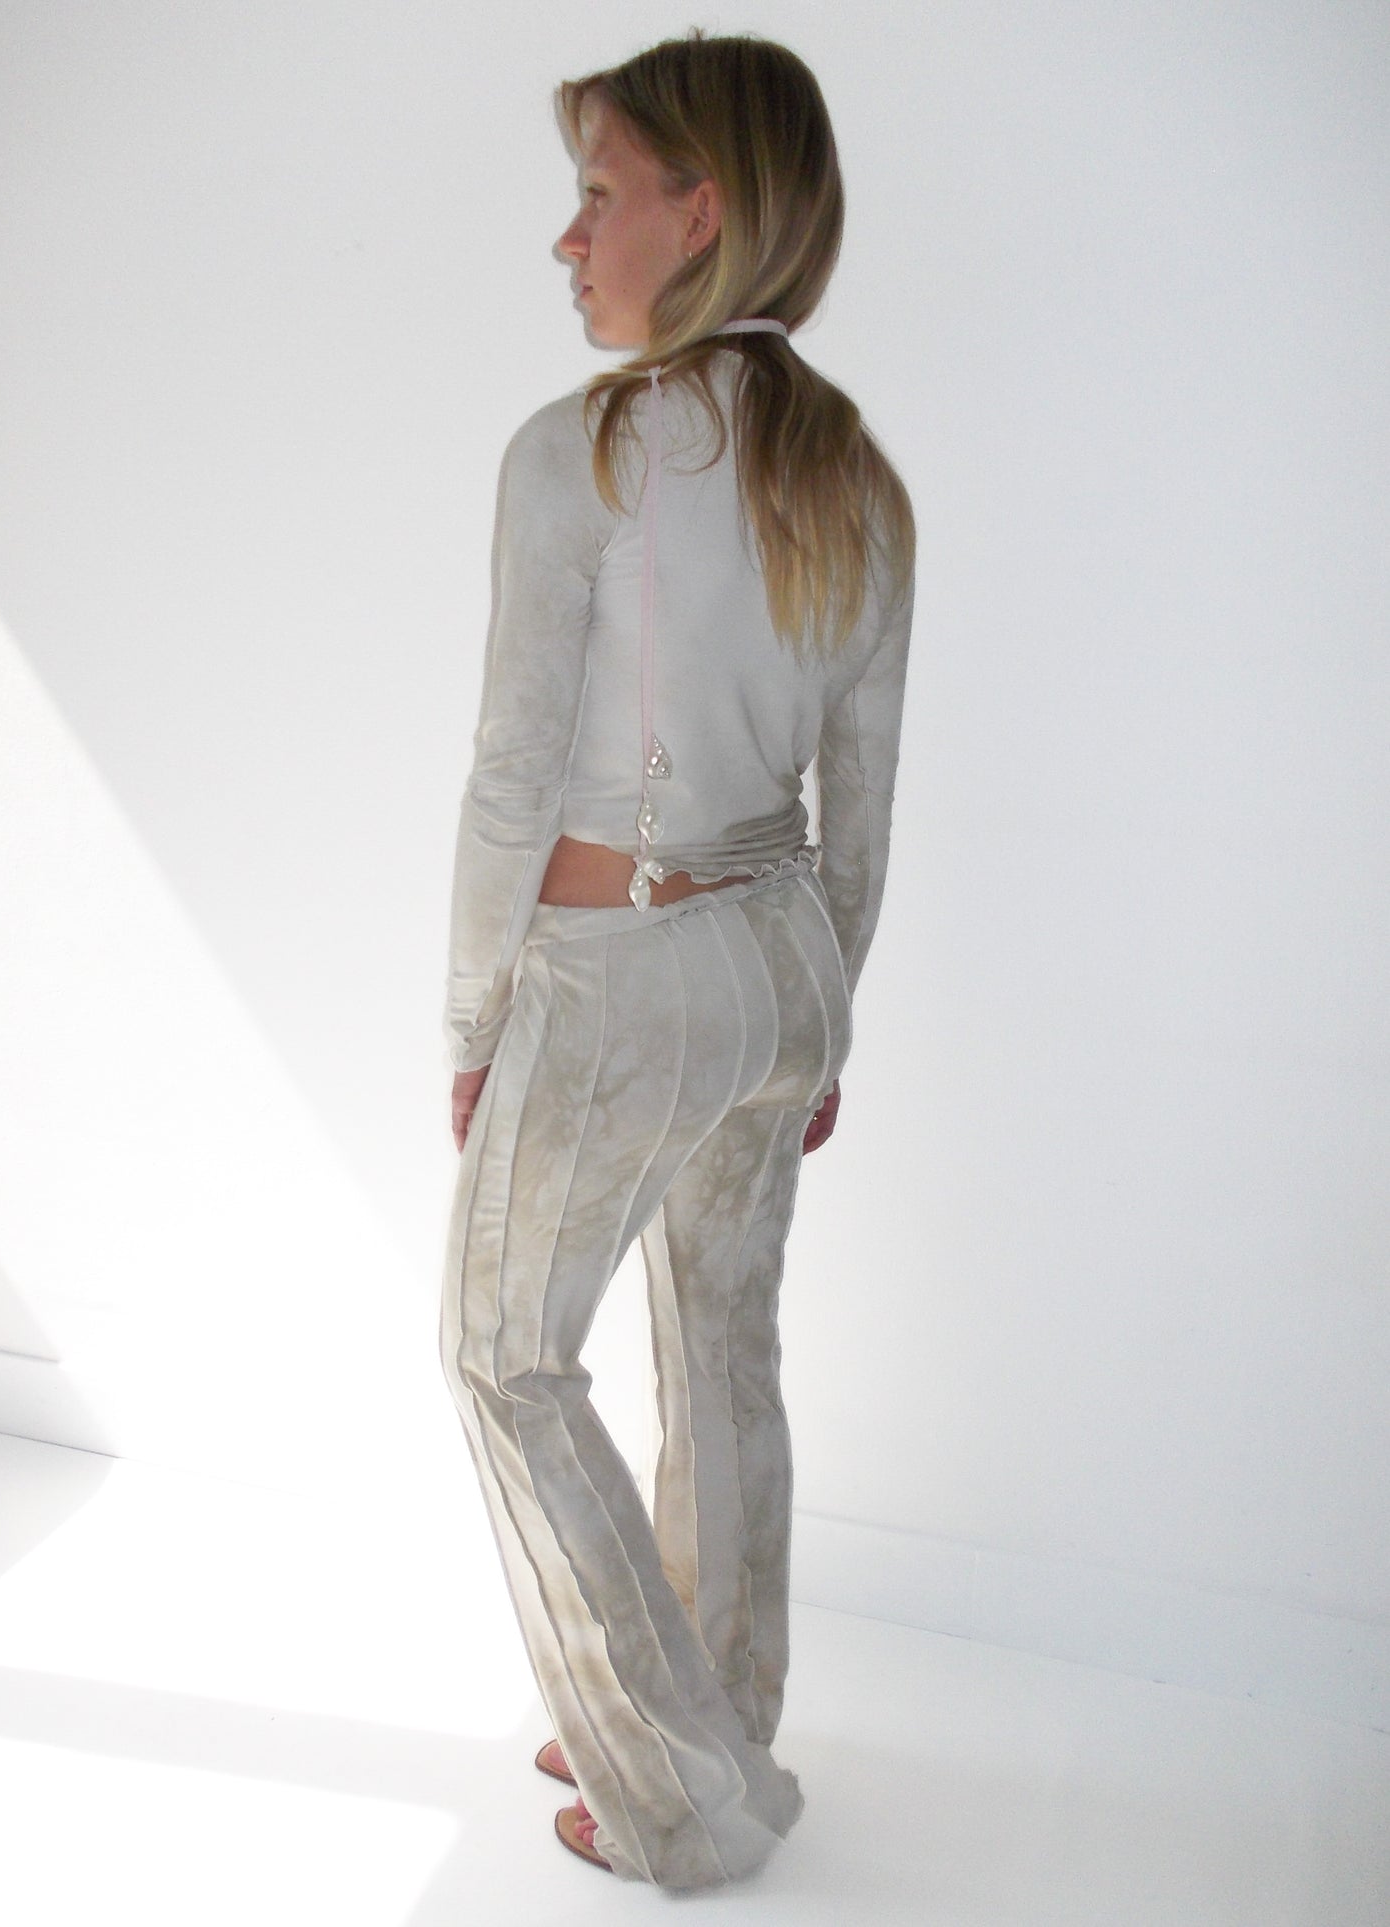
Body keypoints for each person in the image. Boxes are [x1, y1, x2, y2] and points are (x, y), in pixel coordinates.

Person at [438, 30, 916, 1890]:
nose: (568, 241)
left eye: (597, 196)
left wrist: (473, 1015)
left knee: (502, 1356)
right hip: (779, 958)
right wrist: (823, 1025)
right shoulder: (855, 475)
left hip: (618, 966)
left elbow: (511, 771)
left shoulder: (583, 453)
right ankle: (713, 1714)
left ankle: (676, 1791)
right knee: (720, 1344)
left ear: (699, 215)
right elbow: (859, 802)